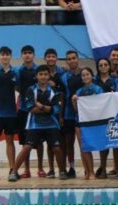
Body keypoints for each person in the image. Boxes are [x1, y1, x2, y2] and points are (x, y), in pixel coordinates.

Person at [9, 65, 68, 181]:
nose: (43, 76)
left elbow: (56, 110)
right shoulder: (31, 90)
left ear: (49, 76)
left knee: (56, 148)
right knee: (26, 147)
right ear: (36, 76)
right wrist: (48, 109)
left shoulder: (54, 91)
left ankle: (62, 171)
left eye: (45, 74)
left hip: (51, 124)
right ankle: (14, 172)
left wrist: (40, 106)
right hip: (34, 124)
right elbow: (31, 108)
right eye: (40, 74)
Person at [72, 67, 103, 180]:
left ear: (92, 76)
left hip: (94, 121)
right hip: (80, 121)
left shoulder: (98, 89)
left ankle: (100, 169)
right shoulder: (79, 92)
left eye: (87, 74)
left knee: (98, 146)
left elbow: (101, 105)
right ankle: (89, 172)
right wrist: (73, 101)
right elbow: (76, 109)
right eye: (83, 75)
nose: (85, 77)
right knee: (84, 147)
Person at [16, 45, 42, 179]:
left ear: (33, 55)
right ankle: (26, 170)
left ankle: (40, 168)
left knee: (38, 142)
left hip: (37, 110)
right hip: (23, 110)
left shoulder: (39, 70)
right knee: (25, 142)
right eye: (25, 53)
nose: (27, 55)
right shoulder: (18, 71)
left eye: (30, 53)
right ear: (22, 55)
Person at [0, 47, 18, 180]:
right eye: (3, 54)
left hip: (11, 114)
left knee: (10, 141)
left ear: (10, 56)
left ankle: (12, 169)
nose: (5, 57)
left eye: (7, 54)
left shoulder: (15, 72)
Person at [61, 50, 83, 178]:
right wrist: (61, 116)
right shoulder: (64, 77)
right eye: (69, 59)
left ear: (77, 59)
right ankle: (72, 168)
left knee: (83, 142)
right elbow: (63, 97)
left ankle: (87, 167)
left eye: (73, 58)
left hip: (84, 114)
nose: (71, 61)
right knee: (69, 142)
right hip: (68, 114)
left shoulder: (85, 74)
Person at [93, 58, 117, 179]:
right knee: (103, 143)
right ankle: (103, 167)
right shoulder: (94, 81)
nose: (103, 67)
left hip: (114, 114)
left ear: (109, 66)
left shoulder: (115, 81)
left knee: (116, 142)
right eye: (100, 65)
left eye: (105, 64)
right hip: (100, 115)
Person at [44, 48, 66, 178]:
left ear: (56, 58)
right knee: (49, 143)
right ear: (45, 58)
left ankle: (62, 169)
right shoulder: (42, 73)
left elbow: (62, 95)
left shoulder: (62, 73)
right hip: (45, 114)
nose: (51, 58)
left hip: (58, 113)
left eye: (53, 56)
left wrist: (61, 115)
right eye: (48, 56)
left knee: (60, 143)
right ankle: (51, 169)